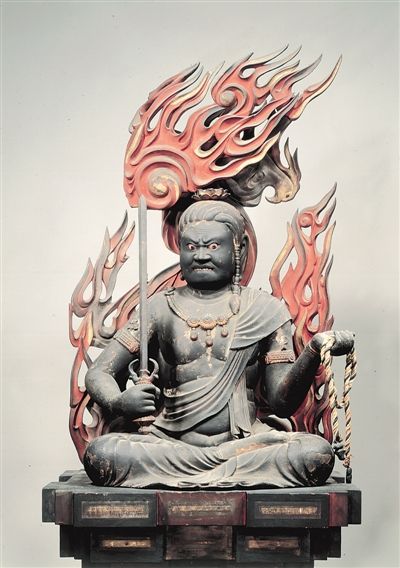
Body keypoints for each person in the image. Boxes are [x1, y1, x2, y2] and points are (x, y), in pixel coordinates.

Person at [83, 200, 354, 488]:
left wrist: (314, 351)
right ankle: (221, 477)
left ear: (239, 248)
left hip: (245, 446)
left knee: (314, 454)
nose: (200, 256)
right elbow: (99, 372)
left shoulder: (264, 310)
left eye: (213, 246)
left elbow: (281, 403)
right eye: (190, 247)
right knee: (102, 454)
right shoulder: (160, 308)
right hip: (171, 443)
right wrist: (119, 402)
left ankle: (204, 476)